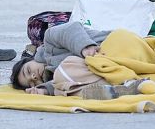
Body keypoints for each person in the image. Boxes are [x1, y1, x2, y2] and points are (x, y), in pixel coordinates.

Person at [10, 21, 142, 99]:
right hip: (115, 67)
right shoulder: (56, 78)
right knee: (64, 85)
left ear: (30, 60)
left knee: (66, 73)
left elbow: (71, 29)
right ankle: (120, 88)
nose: (33, 76)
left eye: (28, 71)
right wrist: (43, 90)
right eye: (32, 83)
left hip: (114, 45)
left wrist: (85, 47)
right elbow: (58, 84)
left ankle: (116, 88)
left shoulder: (49, 41)